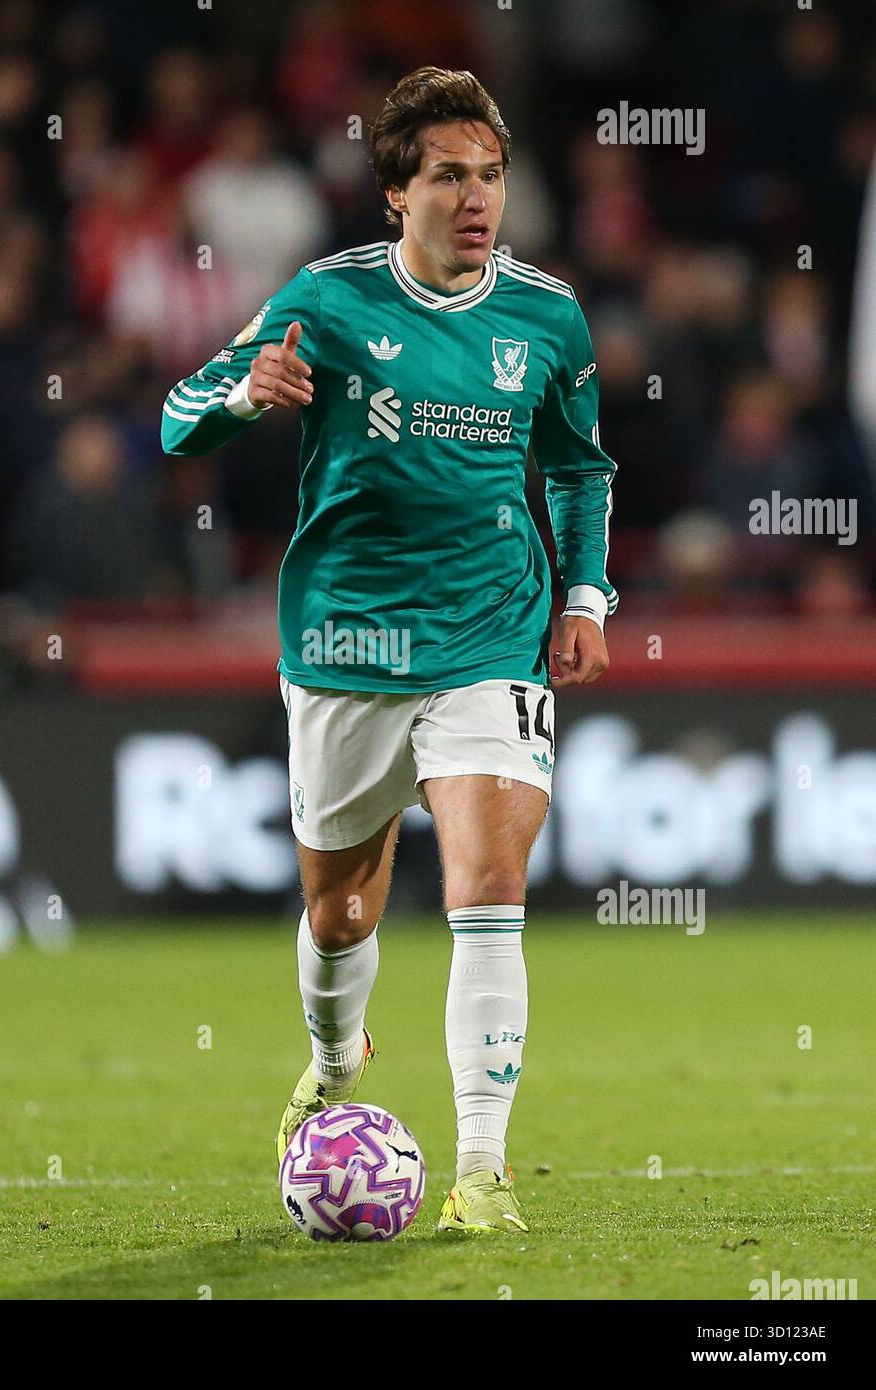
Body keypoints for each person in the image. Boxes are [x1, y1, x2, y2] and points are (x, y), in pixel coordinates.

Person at [162, 66, 617, 1234]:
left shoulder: (546, 316)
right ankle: (334, 1051)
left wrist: (583, 595)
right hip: (345, 641)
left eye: (492, 176)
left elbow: (576, 466)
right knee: (339, 918)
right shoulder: (323, 300)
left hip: (490, 635)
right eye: (449, 177)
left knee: (487, 885)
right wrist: (240, 396)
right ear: (393, 195)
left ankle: (480, 1172)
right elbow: (175, 413)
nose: (478, 199)